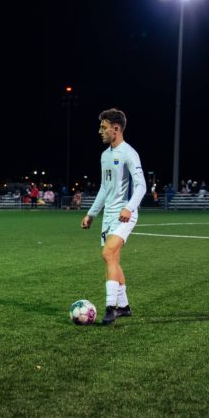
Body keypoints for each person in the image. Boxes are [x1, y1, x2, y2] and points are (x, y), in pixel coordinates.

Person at [81, 108, 146, 325]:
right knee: (113, 259)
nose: (100, 131)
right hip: (108, 216)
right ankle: (124, 307)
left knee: (107, 253)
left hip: (125, 215)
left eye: (104, 127)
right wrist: (91, 214)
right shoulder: (105, 156)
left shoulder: (129, 153)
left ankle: (110, 308)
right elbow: (104, 188)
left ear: (116, 129)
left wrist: (129, 208)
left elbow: (141, 186)